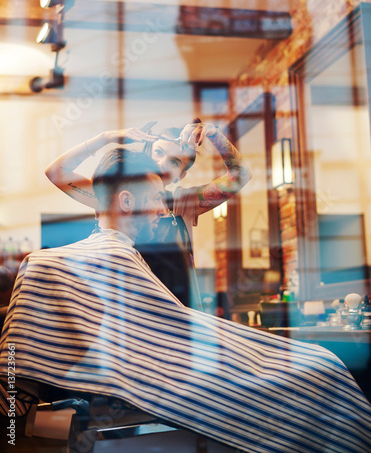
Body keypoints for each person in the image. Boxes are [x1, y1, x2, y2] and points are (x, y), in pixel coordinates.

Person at [0, 147, 370, 453]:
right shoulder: (105, 254)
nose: (161, 211)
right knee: (321, 367)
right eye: (155, 201)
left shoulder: (167, 214)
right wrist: (107, 139)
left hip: (182, 333)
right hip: (172, 360)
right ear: (126, 201)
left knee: (316, 362)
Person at [44, 120, 251, 309]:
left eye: (174, 162)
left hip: (177, 317)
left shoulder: (184, 202)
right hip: (128, 315)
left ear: (181, 175)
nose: (161, 164)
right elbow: (56, 172)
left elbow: (241, 175)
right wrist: (106, 138)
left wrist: (213, 133)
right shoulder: (115, 197)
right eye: (158, 153)